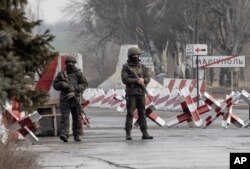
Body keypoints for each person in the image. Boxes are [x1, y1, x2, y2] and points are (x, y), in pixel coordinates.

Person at [53, 55, 88, 142]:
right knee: (64, 118)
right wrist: (61, 84)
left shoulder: (78, 74)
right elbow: (55, 85)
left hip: (75, 98)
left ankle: (76, 135)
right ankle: (64, 134)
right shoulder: (61, 74)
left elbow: (85, 84)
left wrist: (75, 88)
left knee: (77, 117)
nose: (70, 64)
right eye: (69, 62)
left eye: (72, 63)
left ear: (75, 63)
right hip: (65, 99)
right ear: (66, 64)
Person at [121, 47, 153, 140]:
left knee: (142, 113)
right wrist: (136, 80)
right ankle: (128, 133)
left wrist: (143, 80)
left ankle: (145, 133)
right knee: (130, 113)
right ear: (130, 56)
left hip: (141, 93)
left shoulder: (142, 67)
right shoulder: (126, 67)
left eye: (137, 55)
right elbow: (124, 79)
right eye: (134, 55)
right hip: (131, 94)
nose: (136, 56)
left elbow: (148, 78)